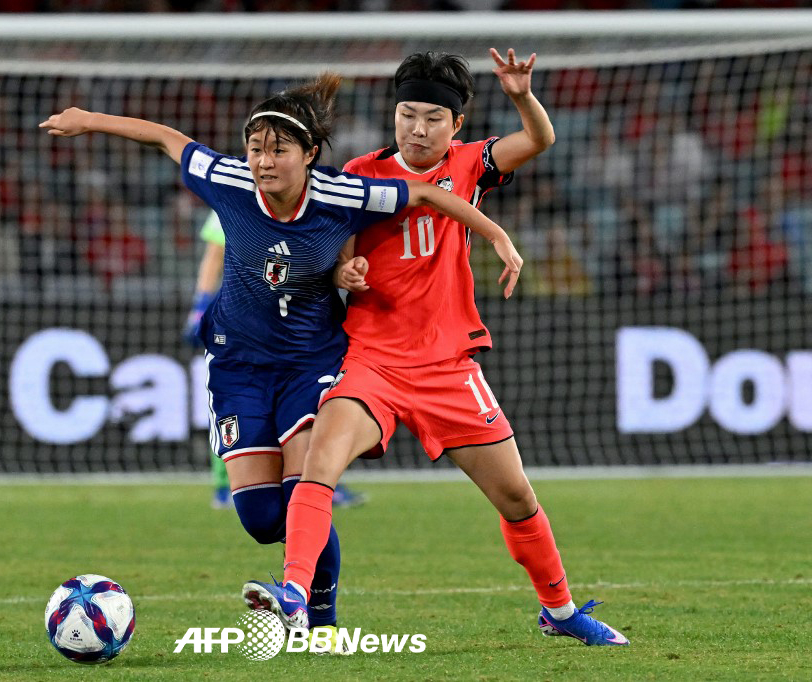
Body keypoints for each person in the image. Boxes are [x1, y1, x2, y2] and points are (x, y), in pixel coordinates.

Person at [40, 73, 522, 647]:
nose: (264, 162)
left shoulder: (341, 195)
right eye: (256, 148)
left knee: (305, 489)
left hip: (310, 363)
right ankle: (302, 586)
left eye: (278, 150)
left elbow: (425, 194)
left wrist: (494, 234)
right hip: (237, 366)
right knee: (262, 518)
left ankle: (318, 620)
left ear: (309, 154)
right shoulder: (229, 181)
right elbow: (168, 138)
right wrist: (89, 120)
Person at [243, 50, 629, 647]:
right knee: (320, 463)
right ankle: (293, 593)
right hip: (373, 361)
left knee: (517, 496)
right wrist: (346, 271)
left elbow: (539, 139)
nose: (416, 129)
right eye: (406, 115)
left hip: (449, 367)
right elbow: (334, 245)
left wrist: (523, 94)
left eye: (431, 118)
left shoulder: (473, 164)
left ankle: (559, 609)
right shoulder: (358, 173)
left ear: (457, 125)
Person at [183, 210, 367, 511]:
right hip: (241, 322)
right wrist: (200, 305)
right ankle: (226, 484)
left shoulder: (311, 202)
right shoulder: (231, 197)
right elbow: (214, 256)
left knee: (311, 403)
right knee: (234, 403)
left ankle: (322, 481)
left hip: (294, 321)